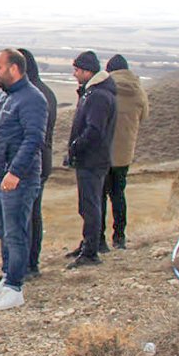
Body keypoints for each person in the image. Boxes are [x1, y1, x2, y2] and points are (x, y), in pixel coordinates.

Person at [0, 49, 47, 311]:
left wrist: (15, 172)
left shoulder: (32, 99)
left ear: (14, 69)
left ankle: (15, 288)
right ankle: (7, 277)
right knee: (3, 230)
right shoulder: (4, 97)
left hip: (19, 179)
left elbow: (34, 139)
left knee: (16, 232)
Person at [63, 50, 117, 268]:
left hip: (93, 159)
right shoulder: (93, 93)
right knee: (88, 205)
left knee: (91, 204)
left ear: (87, 71)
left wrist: (76, 147)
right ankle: (88, 244)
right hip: (92, 158)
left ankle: (91, 251)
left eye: (77, 70)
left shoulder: (98, 97)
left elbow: (94, 130)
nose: (75, 74)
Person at [102, 54, 150, 250]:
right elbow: (144, 115)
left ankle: (98, 238)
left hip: (104, 151)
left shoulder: (106, 88)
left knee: (100, 196)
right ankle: (119, 237)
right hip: (124, 153)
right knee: (118, 195)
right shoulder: (138, 90)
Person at [17, 48, 57, 277]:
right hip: (39, 161)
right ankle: (28, 262)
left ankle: (27, 265)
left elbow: (30, 135)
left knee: (26, 216)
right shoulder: (45, 91)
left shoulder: (33, 95)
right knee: (31, 213)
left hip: (30, 164)